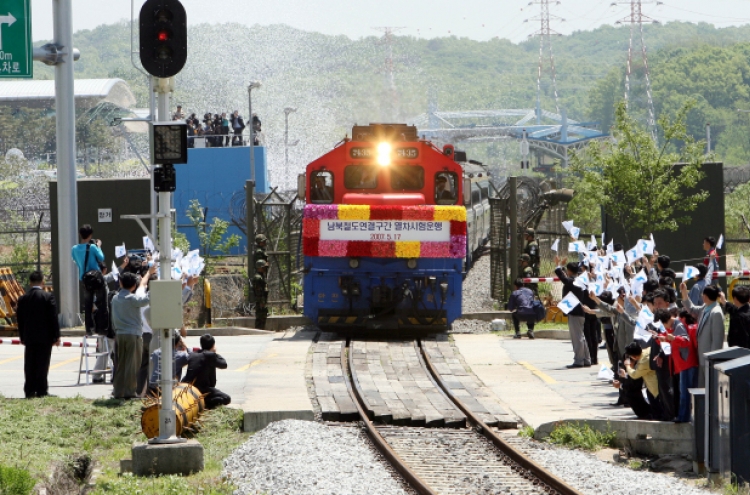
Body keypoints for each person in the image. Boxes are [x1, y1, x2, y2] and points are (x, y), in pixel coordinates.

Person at [111, 269, 155, 399]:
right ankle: (130, 392)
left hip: (120, 334)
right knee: (132, 364)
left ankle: (118, 391)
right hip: (133, 335)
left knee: (121, 364)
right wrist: (154, 288)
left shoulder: (114, 298)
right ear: (134, 285)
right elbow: (147, 299)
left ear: (120, 283)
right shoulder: (133, 299)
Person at [17, 271, 60, 398]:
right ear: (42, 282)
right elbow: (53, 318)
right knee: (42, 363)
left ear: (30, 283)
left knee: (30, 364)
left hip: (29, 337)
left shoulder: (23, 298)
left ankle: (29, 390)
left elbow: (20, 319)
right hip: (45, 337)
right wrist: (56, 336)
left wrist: (22, 337)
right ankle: (41, 390)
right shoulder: (48, 297)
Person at [680, 281, 725, 387]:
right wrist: (684, 293)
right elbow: (691, 309)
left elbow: (717, 340)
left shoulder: (716, 312)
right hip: (702, 356)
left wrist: (713, 360)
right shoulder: (706, 307)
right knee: (703, 387)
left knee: (710, 388)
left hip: (709, 359)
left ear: (705, 296)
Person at [656, 309, 699, 422]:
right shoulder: (674, 325)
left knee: (685, 392)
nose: (664, 328)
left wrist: (674, 338)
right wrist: (661, 338)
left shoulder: (679, 325)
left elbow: (686, 341)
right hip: (682, 363)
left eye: (663, 325)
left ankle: (683, 417)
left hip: (687, 363)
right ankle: (684, 416)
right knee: (684, 392)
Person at [554, 256, 591, 368]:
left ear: (569, 271)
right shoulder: (579, 280)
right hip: (580, 312)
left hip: (575, 312)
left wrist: (558, 266)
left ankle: (579, 360)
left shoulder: (573, 282)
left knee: (577, 338)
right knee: (581, 336)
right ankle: (586, 359)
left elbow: (564, 278)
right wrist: (563, 267)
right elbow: (567, 277)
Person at [71, 225, 106, 336]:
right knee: (101, 303)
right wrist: (99, 246)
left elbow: (75, 261)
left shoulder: (74, 249)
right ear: (90, 235)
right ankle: (101, 328)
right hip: (96, 277)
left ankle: (89, 329)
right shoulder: (93, 247)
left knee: (88, 304)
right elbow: (101, 258)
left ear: (80, 234)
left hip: (84, 278)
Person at [181, 333, 230, 409]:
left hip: (189, 387)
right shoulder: (210, 355)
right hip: (202, 388)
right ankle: (204, 401)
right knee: (226, 398)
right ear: (213, 345)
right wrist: (214, 352)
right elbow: (224, 364)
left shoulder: (193, 354)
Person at [623, 342, 665, 420]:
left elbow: (635, 375)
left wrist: (628, 366)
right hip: (656, 385)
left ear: (634, 356)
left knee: (658, 412)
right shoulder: (648, 350)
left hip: (654, 388)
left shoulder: (643, 361)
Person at [720, 285, 750, 349]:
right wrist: (724, 301)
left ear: (735, 299)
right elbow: (733, 309)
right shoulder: (745, 311)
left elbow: (740, 339)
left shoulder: (739, 317)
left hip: (740, 352)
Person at [252, 260, 270, 330]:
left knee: (263, 317)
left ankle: (261, 330)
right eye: (263, 267)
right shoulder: (258, 278)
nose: (265, 269)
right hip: (260, 302)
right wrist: (262, 302)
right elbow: (258, 291)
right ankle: (259, 331)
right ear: (259, 268)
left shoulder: (261, 276)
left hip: (262, 301)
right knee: (260, 318)